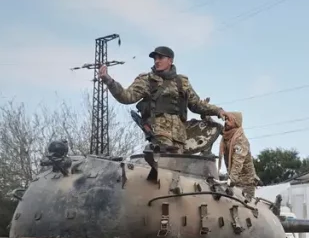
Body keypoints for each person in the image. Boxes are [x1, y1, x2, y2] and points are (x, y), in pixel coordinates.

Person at [97, 46, 231, 153]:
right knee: (163, 169)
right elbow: (126, 97)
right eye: (155, 58)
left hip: (179, 136)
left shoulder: (182, 82)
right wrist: (109, 81)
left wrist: (218, 111)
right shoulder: (147, 80)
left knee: (177, 171)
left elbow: (196, 104)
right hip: (159, 135)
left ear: (170, 60)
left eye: (160, 58)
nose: (157, 61)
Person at [219, 112, 258, 198]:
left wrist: (232, 179)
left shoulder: (240, 140)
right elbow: (216, 127)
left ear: (236, 122)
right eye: (225, 120)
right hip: (235, 181)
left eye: (229, 120)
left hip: (245, 184)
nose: (226, 122)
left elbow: (238, 161)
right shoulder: (227, 135)